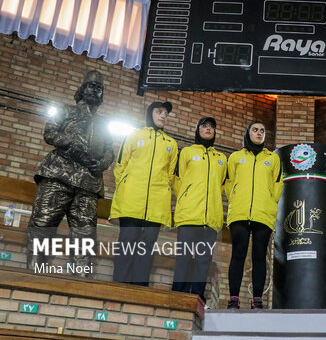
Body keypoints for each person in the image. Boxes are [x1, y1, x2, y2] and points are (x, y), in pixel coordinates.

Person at [27, 70, 114, 276]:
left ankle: (80, 279)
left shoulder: (104, 123)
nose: (95, 90)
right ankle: (37, 275)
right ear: (82, 89)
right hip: (59, 175)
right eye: (92, 86)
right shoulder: (65, 110)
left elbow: (110, 150)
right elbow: (50, 133)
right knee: (43, 225)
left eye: (99, 88)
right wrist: (71, 144)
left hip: (89, 183)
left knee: (85, 233)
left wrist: (101, 163)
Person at [109, 101, 178, 286]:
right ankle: (119, 286)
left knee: (147, 247)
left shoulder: (171, 144)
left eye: (166, 113)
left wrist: (163, 189)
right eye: (159, 111)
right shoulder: (133, 135)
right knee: (127, 243)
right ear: (150, 113)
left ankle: (140, 288)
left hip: (157, 204)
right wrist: (126, 187)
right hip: (131, 200)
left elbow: (170, 175)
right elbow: (120, 166)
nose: (164, 115)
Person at [225, 121, 283, 309]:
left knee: (259, 256)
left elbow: (278, 185)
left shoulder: (272, 159)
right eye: (255, 130)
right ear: (248, 133)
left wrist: (269, 202)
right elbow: (228, 183)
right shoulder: (235, 157)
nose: (259, 133)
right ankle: (233, 298)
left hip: (263, 214)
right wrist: (235, 198)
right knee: (238, 254)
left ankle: (257, 300)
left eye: (262, 130)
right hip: (240, 213)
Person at [171, 117, 227, 302]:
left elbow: (220, 186)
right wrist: (187, 199)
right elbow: (177, 181)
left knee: (203, 262)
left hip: (210, 219)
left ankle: (197, 298)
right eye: (204, 126)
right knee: (184, 258)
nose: (208, 129)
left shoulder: (221, 159)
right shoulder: (186, 152)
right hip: (189, 216)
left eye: (212, 126)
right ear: (197, 130)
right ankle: (178, 295)